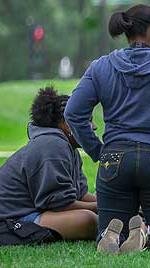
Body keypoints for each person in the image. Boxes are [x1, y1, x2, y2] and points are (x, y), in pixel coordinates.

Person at [64, 4, 150, 253]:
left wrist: (98, 151)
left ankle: (111, 236)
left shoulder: (101, 67)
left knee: (108, 230)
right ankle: (146, 235)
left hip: (114, 161)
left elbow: (73, 113)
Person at [0, 86, 97, 241]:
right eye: (88, 121)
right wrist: (104, 207)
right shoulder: (52, 145)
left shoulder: (69, 147)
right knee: (88, 220)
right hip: (12, 219)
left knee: (94, 214)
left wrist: (112, 201)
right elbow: (60, 204)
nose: (94, 127)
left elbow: (81, 194)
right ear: (66, 123)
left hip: (37, 211)